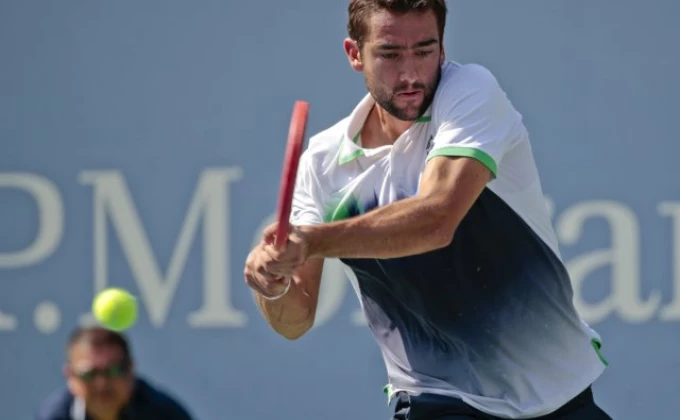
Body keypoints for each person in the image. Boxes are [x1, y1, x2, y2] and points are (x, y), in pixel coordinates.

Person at [244, 0, 612, 419]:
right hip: (434, 398)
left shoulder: (470, 91)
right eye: (389, 54)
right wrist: (272, 283)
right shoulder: (322, 164)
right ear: (354, 54)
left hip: (561, 401)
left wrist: (312, 242)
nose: (410, 74)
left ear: (442, 47)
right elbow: (294, 321)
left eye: (424, 50)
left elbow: (436, 219)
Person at [36, 325, 194, 420]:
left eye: (114, 371)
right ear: (70, 376)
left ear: (131, 370)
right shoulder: (53, 416)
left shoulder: (165, 414)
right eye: (89, 374)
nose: (102, 384)